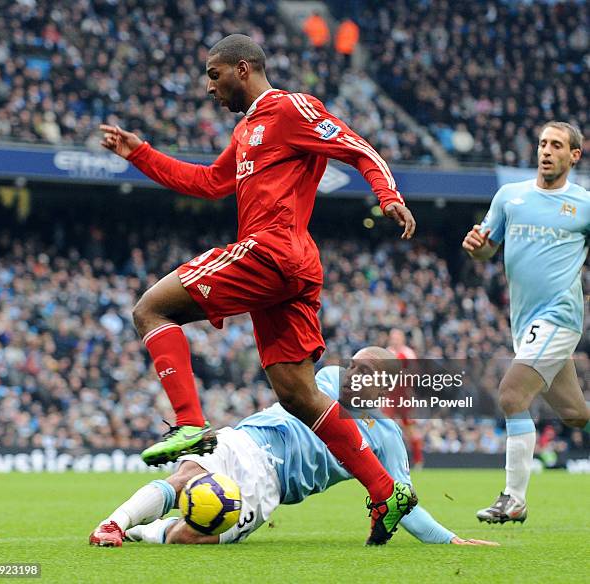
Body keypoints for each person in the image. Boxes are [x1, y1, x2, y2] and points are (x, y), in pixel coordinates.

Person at [100, 33, 416, 545]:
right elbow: (207, 183)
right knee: (299, 396)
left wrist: (387, 194)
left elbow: (357, 148)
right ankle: (385, 490)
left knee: (152, 308)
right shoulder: (247, 131)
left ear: (243, 68)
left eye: (214, 74)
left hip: (272, 250)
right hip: (288, 269)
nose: (208, 87)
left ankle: (190, 426)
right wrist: (142, 155)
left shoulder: (291, 109)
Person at [90, 347, 497, 548]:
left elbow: (401, 503)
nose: (352, 373)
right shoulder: (330, 377)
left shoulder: (387, 438)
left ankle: (144, 531)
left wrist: (449, 541)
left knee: (195, 537)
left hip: (270, 486)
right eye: (353, 365)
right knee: (184, 477)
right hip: (248, 437)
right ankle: (113, 524)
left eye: (366, 372)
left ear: (386, 386)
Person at [462, 121, 589, 523]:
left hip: (560, 317)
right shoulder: (509, 197)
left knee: (512, 394)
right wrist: (476, 249)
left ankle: (513, 499)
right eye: (542, 144)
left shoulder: (584, 204)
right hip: (525, 323)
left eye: (556, 145)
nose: (546, 151)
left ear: (574, 155)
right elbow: (487, 250)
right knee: (574, 414)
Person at [386, 328, 424, 468]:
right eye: (392, 337)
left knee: (409, 429)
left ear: (402, 339)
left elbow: (415, 373)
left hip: (404, 396)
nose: (394, 340)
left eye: (397, 337)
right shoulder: (387, 352)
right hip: (389, 396)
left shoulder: (408, 353)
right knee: (385, 426)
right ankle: (387, 460)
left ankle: (418, 460)